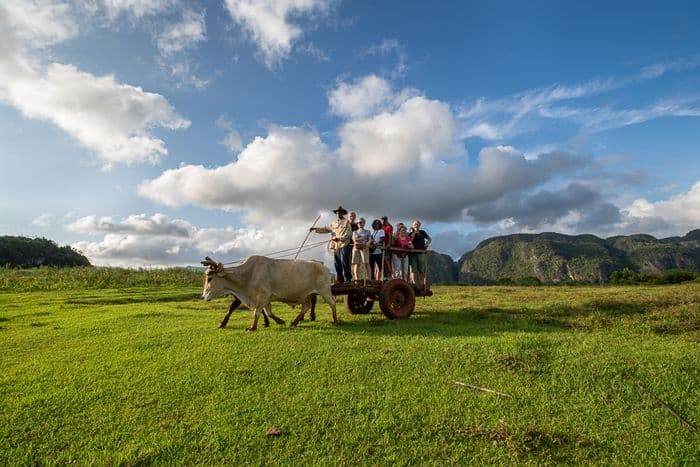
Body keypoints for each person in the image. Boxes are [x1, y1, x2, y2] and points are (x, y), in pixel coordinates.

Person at [310, 206, 352, 283]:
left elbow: (348, 234)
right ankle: (340, 280)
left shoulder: (347, 222)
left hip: (344, 244)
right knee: (337, 263)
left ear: (343, 213)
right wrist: (315, 229)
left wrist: (339, 238)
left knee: (344, 262)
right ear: (336, 213)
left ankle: (348, 279)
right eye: (337, 212)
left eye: (340, 212)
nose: (338, 213)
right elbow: (326, 229)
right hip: (336, 246)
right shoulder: (333, 223)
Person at [409, 219, 431, 290]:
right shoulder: (410, 233)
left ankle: (422, 283)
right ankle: (414, 283)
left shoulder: (422, 232)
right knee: (413, 269)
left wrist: (426, 245)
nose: (416, 225)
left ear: (420, 225)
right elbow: (408, 241)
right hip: (413, 253)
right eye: (415, 224)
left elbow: (429, 239)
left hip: (421, 252)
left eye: (418, 224)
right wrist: (413, 236)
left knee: (421, 268)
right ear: (413, 225)